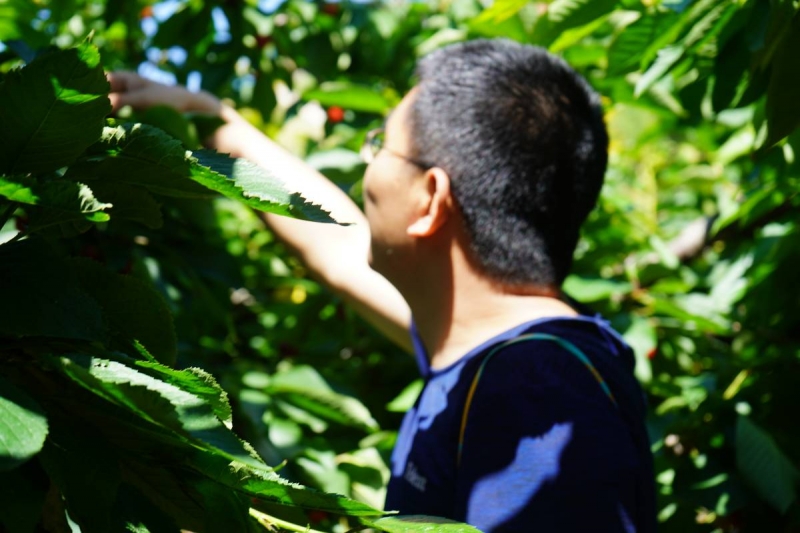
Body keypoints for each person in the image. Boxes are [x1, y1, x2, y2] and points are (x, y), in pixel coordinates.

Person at [109, 39, 656, 532]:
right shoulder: (489, 348)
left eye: (380, 147)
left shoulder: (534, 392)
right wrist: (209, 115)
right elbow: (338, 249)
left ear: (430, 199)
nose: (367, 166)